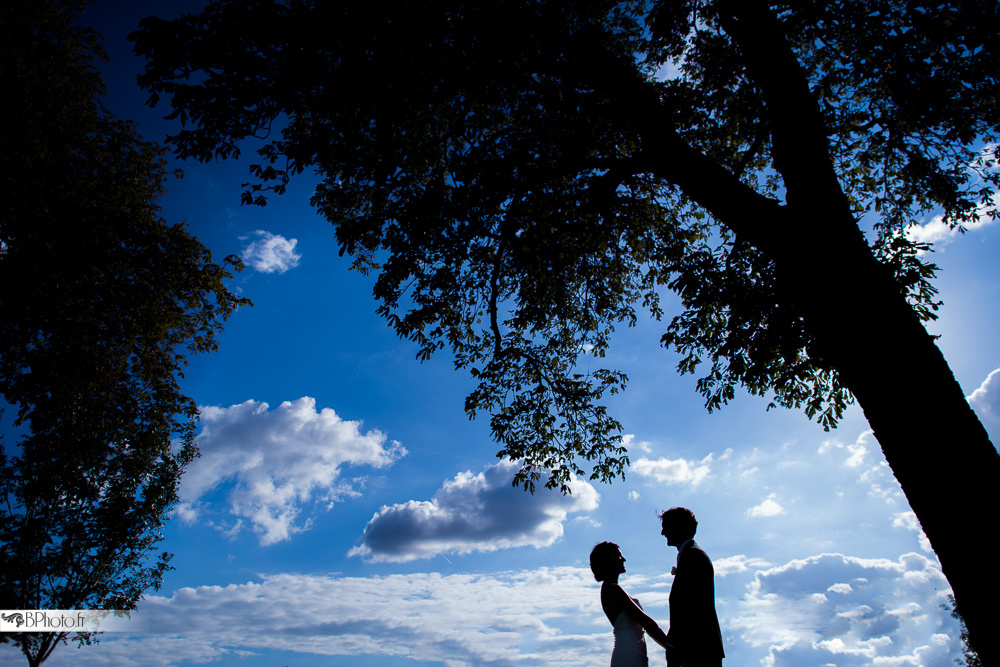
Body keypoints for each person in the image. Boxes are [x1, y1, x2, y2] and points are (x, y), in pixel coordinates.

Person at [659, 507, 725, 666]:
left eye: (666, 527)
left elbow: (690, 607)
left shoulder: (693, 556)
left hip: (698, 649)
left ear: (679, 526)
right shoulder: (690, 554)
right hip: (697, 648)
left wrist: (675, 646)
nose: (662, 533)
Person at [590, 541, 672, 667]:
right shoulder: (613, 589)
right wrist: (670, 646)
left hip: (632, 653)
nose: (623, 559)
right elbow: (645, 621)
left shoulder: (612, 588)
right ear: (608, 561)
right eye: (618, 556)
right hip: (629, 656)